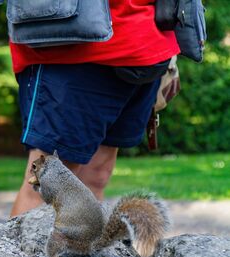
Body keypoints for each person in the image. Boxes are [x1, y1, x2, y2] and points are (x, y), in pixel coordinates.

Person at [10, 0, 180, 217]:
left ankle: (80, 251)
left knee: (96, 176)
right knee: (46, 187)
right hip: (73, 47)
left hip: (146, 43)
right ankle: (21, 252)